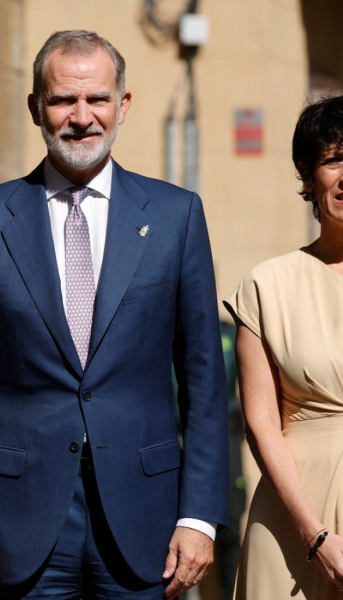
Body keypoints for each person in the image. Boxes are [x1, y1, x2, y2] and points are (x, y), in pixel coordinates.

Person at [0, 29, 228, 600]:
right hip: (16, 527)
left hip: (145, 523)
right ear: (35, 109)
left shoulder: (176, 217)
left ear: (123, 105)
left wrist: (198, 517)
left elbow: (204, 382)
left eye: (96, 99)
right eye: (62, 100)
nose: (81, 117)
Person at [225, 95, 343, 599]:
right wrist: (315, 536)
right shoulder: (265, 285)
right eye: (334, 159)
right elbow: (260, 424)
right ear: (308, 173)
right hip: (295, 526)